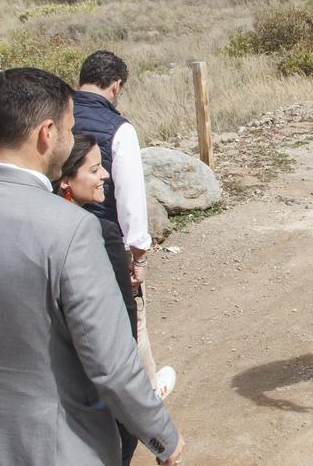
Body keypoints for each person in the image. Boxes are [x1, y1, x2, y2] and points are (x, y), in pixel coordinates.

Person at [0, 67, 185, 466]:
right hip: (51, 445)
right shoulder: (72, 227)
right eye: (69, 128)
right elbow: (111, 363)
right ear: (48, 133)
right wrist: (162, 436)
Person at [72, 50, 177, 400]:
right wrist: (140, 256)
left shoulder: (56, 116)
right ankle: (146, 393)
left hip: (57, 229)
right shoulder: (119, 128)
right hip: (104, 235)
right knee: (133, 316)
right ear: (116, 86)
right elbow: (130, 198)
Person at [58, 132, 147, 464]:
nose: (106, 175)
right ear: (66, 179)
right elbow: (121, 321)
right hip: (95, 383)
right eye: (95, 169)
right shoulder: (99, 231)